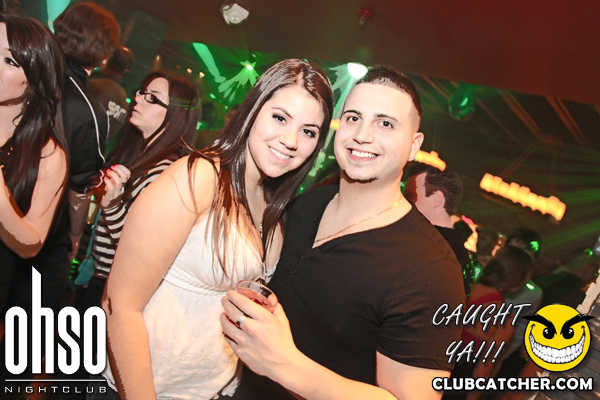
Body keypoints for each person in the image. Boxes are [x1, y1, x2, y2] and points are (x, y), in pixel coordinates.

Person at [221, 65, 465, 400]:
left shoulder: (433, 271)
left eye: (385, 123)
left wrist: (285, 365)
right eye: (353, 118)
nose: (362, 135)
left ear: (413, 145)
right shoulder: (307, 205)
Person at [100, 59, 333, 399]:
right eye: (280, 118)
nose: (290, 140)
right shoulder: (198, 177)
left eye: (308, 131)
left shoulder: (272, 208)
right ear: (253, 111)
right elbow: (119, 306)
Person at [15, 2, 120, 318]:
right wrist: (74, 235)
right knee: (29, 325)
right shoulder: (89, 111)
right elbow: (80, 187)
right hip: (47, 231)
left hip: (9, 205)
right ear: (103, 55)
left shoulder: (21, 76)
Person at [0, 12, 67, 316]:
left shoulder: (45, 153)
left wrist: (1, 198)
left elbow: (31, 243)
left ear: (35, 77)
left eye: (9, 61)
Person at [446, 245, 532, 400]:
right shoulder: (504, 320)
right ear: (517, 281)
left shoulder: (464, 284)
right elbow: (483, 370)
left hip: (433, 363)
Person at [404, 163, 477, 296]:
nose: (404, 202)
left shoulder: (429, 249)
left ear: (436, 200)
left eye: (411, 196)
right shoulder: (457, 253)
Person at [89, 45, 135, 155]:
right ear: (126, 70)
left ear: (106, 59)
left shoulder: (93, 86)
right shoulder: (123, 100)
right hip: (94, 155)